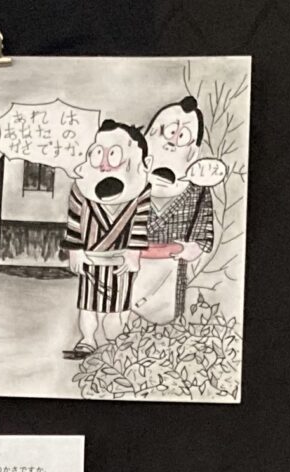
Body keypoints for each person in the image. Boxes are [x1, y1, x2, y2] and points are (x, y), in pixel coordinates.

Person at [64, 119, 147, 359]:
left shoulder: (140, 191)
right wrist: (74, 250)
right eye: (98, 153)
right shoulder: (81, 189)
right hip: (90, 258)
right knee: (88, 303)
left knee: (117, 307)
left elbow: (140, 224)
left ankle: (115, 341)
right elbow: (74, 222)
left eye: (113, 155)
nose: (104, 163)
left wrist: (133, 253)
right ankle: (87, 339)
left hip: (120, 260)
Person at [139, 95, 219, 320]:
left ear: (193, 151)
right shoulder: (133, 183)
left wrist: (189, 248)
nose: (172, 142)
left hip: (171, 274)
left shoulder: (197, 190)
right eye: (169, 131)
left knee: (166, 320)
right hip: (131, 265)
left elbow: (203, 235)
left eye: (181, 136)